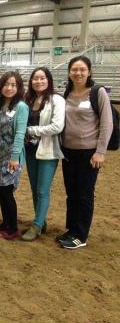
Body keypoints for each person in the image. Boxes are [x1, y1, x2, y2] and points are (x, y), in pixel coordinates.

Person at [58, 56, 113, 249]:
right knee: (71, 193)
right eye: (74, 69)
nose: (78, 73)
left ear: (89, 71)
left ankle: (80, 235)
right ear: (69, 72)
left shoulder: (98, 93)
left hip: (89, 153)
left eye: (82, 69)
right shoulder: (67, 92)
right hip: (68, 151)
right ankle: (71, 229)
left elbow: (107, 124)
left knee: (85, 194)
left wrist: (101, 152)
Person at [22, 67, 65, 241]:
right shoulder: (28, 100)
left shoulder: (57, 100)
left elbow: (57, 126)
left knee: (42, 190)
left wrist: (31, 130)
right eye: (35, 78)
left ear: (48, 80)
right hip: (31, 150)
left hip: (48, 150)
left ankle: (37, 226)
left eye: (42, 78)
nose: (38, 81)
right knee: (34, 189)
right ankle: (41, 221)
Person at [0, 72, 28, 240]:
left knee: (7, 192)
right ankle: (5, 223)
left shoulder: (21, 107)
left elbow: (20, 134)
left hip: (11, 156)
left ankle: (12, 228)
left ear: (19, 88)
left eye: (13, 85)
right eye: (6, 84)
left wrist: (14, 158)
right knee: (1, 189)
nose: (9, 88)